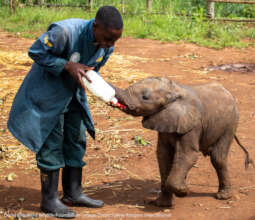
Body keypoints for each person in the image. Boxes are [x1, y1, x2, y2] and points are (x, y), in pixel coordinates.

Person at [7, 6, 123, 219]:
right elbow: (35, 51)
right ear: (95, 26)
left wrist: (109, 94)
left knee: (76, 140)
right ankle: (49, 200)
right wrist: (67, 65)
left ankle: (73, 192)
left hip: (73, 96)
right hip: (46, 95)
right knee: (52, 143)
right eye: (107, 39)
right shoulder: (65, 32)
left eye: (115, 41)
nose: (110, 46)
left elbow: (91, 74)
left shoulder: (106, 46)